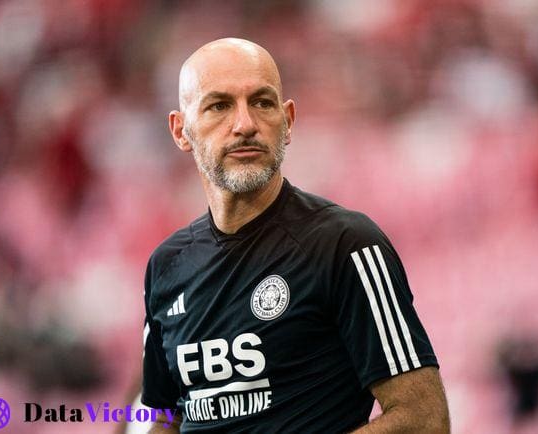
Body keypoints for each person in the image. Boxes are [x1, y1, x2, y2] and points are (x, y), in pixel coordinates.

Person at [142, 38, 450, 433]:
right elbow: (164, 418)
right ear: (181, 131)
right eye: (219, 105)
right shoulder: (166, 266)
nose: (245, 124)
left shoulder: (344, 244)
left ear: (287, 121)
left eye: (262, 102)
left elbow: (424, 420)